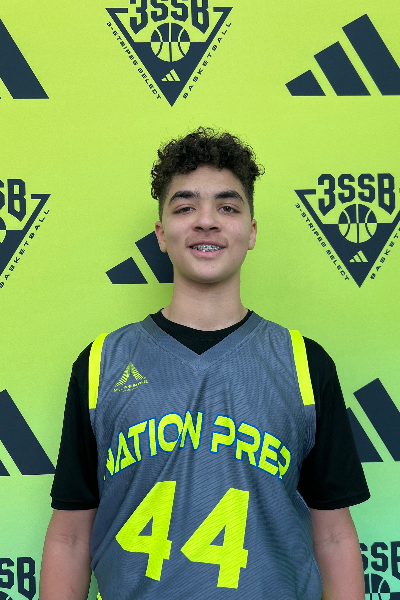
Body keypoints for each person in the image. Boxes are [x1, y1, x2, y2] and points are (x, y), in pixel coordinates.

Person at [40, 128, 369, 600]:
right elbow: (70, 536)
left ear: (251, 232)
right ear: (161, 234)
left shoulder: (304, 363)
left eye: (228, 207)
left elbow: (334, 535)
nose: (207, 221)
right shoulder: (101, 362)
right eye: (185, 207)